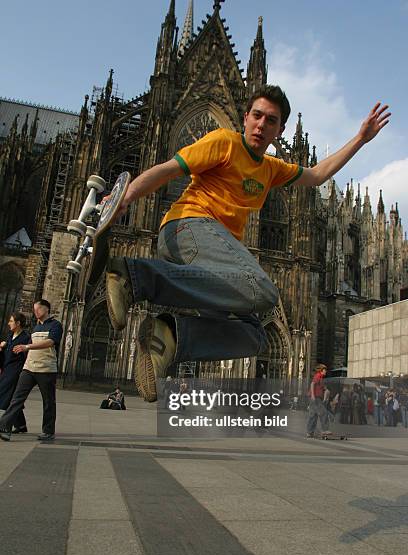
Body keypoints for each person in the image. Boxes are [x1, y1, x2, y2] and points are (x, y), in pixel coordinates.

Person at [103, 85, 390, 402]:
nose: (261, 125)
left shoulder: (271, 169)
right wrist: (125, 197)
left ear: (279, 130)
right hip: (187, 227)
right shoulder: (223, 142)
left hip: (216, 254)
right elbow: (168, 169)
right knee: (264, 291)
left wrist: (361, 139)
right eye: (257, 116)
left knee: (253, 337)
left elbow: (318, 174)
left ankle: (169, 335)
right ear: (245, 117)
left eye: (271, 120)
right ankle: (134, 275)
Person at [0, 300, 63, 442]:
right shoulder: (35, 328)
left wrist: (27, 347)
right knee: (17, 398)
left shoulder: (56, 325)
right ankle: (4, 427)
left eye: (38, 309)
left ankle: (48, 432)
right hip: (29, 368)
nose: (36, 312)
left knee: (48, 402)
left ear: (46, 309)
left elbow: (50, 342)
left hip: (46, 369)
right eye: (34, 309)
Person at [0, 313, 31, 433]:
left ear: (18, 323)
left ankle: (4, 424)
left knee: (6, 396)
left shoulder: (25, 338)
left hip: (15, 372)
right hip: (6, 370)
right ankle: (21, 425)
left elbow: (26, 357)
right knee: (13, 398)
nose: (9, 323)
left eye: (11, 321)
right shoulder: (10, 336)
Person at [306, 364, 331, 437]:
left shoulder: (321, 378)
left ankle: (309, 432)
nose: (326, 372)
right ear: (321, 370)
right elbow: (312, 384)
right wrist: (313, 395)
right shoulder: (318, 375)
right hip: (316, 398)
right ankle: (325, 430)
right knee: (323, 413)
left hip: (315, 398)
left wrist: (326, 390)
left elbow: (323, 388)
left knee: (313, 415)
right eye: (325, 370)